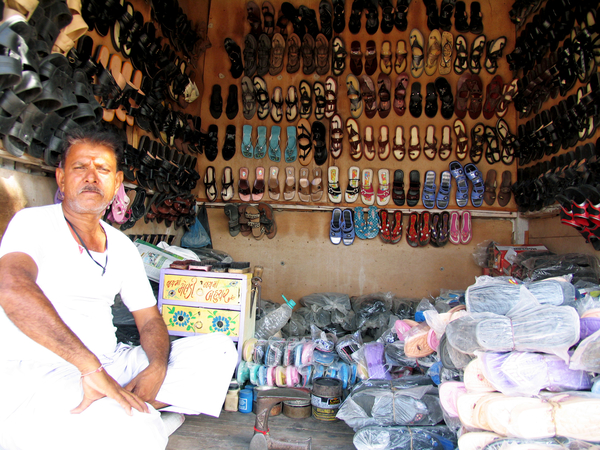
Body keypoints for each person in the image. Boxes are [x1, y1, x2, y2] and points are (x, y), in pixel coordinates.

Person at [0, 128, 238, 450]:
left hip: (109, 361)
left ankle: (119, 405)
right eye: (80, 167)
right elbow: (11, 287)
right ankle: (126, 412)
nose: (91, 177)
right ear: (61, 178)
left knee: (218, 350)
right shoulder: (33, 224)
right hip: (46, 367)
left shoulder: (122, 245)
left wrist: (155, 367)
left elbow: (150, 320)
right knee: (135, 429)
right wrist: (89, 367)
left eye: (103, 170)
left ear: (117, 182)